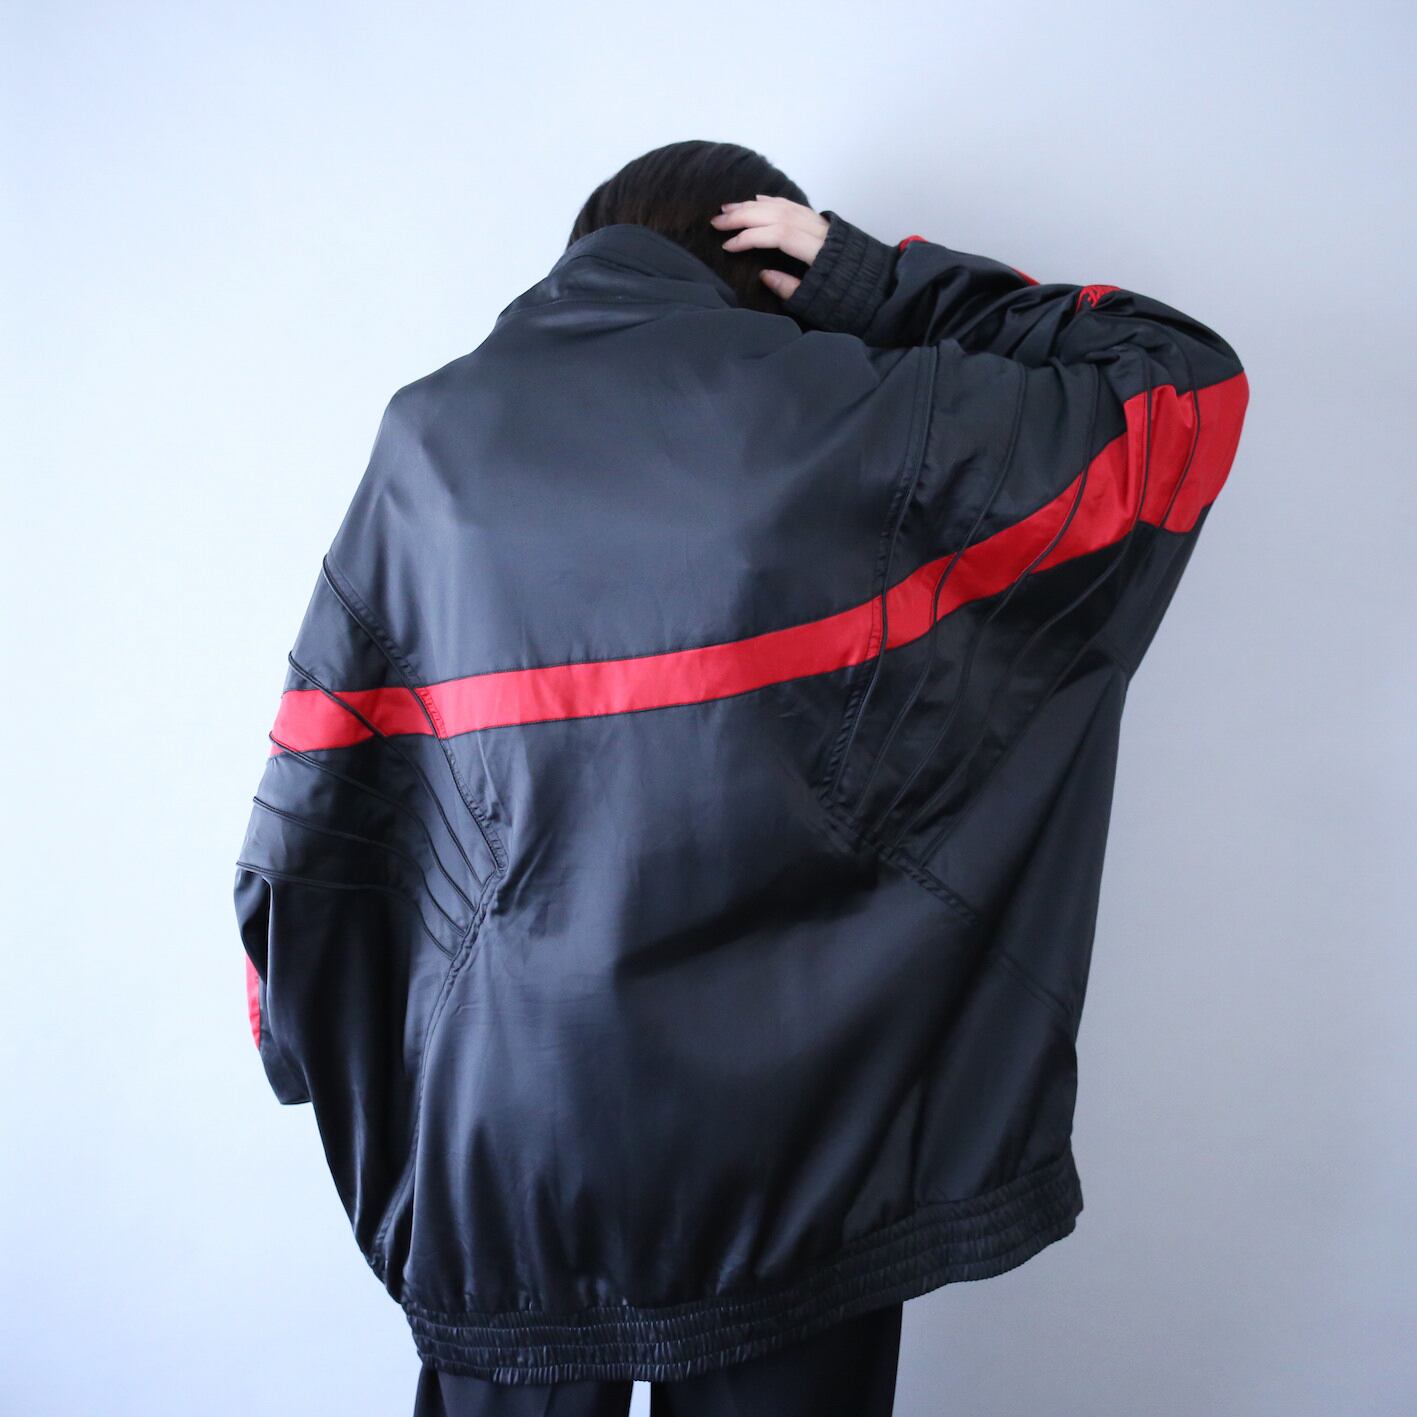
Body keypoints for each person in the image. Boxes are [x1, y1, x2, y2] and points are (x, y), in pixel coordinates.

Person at [233, 140, 1249, 1415]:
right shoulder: (858, 413)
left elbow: (318, 791)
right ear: (765, 257)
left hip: (510, 1118)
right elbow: (1180, 388)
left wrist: (299, 1031)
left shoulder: (431, 439)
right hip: (796, 1124)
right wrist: (870, 282)